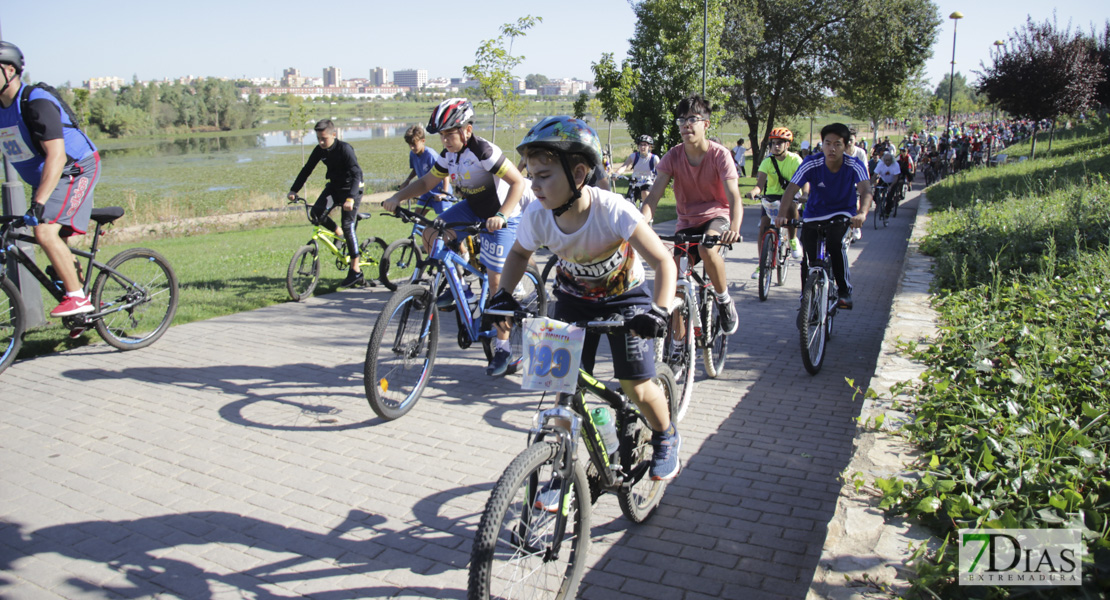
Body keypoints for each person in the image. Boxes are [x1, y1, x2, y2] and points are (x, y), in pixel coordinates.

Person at [488, 116, 682, 481]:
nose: (534, 185)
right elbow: (516, 256)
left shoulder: (611, 209)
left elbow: (663, 261)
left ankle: (666, 435)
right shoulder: (537, 214)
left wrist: (658, 311)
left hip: (627, 299)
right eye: (530, 175)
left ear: (578, 175)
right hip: (574, 298)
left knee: (636, 385)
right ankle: (559, 474)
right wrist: (504, 297)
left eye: (544, 175)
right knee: (560, 387)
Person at [383, 98, 527, 377]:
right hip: (472, 208)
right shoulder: (448, 156)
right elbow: (426, 182)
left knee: (498, 285)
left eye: (450, 133)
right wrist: (397, 196)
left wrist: (503, 216)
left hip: (502, 214)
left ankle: (504, 348)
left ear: (467, 131)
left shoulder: (484, 151)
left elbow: (518, 182)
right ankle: (463, 288)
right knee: (430, 233)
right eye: (442, 135)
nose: (445, 140)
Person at [0, 42, 101, 323]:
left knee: (45, 233)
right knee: (58, 243)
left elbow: (56, 155)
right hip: (48, 176)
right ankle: (89, 308)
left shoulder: (36, 102)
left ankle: (78, 300)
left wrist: (39, 203)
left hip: (75, 168)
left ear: (9, 70)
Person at [640, 95, 742, 336]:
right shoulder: (673, 156)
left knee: (707, 249)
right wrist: (641, 222)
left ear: (706, 124)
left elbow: (735, 197)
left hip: (716, 216)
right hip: (686, 222)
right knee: (672, 275)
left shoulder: (720, 155)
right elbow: (653, 197)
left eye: (693, 119)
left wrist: (735, 228)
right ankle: (678, 344)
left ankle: (724, 300)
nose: (686, 125)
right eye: (682, 120)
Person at [776, 123, 873, 317]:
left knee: (835, 244)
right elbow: (791, 189)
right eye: (827, 143)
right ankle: (806, 299)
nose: (832, 148)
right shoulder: (812, 162)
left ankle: (844, 291)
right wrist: (781, 215)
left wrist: (862, 213)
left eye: (838, 144)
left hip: (842, 213)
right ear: (822, 145)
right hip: (814, 213)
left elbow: (866, 190)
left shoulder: (854, 164)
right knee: (809, 256)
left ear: (846, 146)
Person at [288, 119, 366, 288]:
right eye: (318, 139)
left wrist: (351, 198)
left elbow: (356, 175)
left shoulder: (345, 149)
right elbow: (307, 169)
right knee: (316, 213)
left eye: (324, 138)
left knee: (348, 225)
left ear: (333, 135)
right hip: (335, 187)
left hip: (352, 188)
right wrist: (294, 190)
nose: (321, 142)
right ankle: (338, 234)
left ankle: (355, 270)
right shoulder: (320, 150)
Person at [746, 127, 803, 280]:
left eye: (780, 143)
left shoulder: (795, 160)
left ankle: (792, 239)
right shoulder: (767, 162)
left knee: (790, 207)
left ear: (787, 145)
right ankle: (761, 263)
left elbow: (804, 181)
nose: (776, 146)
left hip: (791, 195)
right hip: (771, 197)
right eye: (773, 143)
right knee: (764, 227)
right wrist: (754, 192)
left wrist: (807, 195)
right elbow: (760, 184)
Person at [399, 125, 451, 216]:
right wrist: (407, 180)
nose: (411, 147)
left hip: (439, 193)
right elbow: (416, 168)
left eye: (414, 144)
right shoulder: (413, 154)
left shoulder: (431, 155)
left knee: (445, 224)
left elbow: (445, 174)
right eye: (410, 144)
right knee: (417, 219)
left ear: (423, 141)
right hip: (426, 193)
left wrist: (444, 194)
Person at [612, 135, 658, 204]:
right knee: (628, 202)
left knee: (644, 194)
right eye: (640, 145)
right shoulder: (633, 156)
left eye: (645, 145)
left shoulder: (654, 158)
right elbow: (624, 166)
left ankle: (646, 213)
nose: (642, 147)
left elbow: (661, 171)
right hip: (635, 182)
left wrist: (657, 180)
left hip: (648, 182)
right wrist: (617, 173)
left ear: (649, 146)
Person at [845, 130, 870, 243]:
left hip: (856, 182)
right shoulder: (841, 152)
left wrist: (864, 184)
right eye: (847, 139)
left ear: (855, 140)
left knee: (856, 203)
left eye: (851, 140)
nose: (849, 142)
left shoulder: (860, 153)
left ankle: (856, 227)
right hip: (843, 182)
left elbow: (864, 170)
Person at [872, 152, 902, 216]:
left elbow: (896, 178)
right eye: (885, 160)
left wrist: (891, 186)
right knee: (875, 196)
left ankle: (887, 211)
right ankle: (879, 204)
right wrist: (869, 184)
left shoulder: (895, 165)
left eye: (888, 160)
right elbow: (875, 175)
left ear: (892, 160)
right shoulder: (880, 164)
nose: (887, 162)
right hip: (883, 180)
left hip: (892, 181)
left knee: (889, 198)